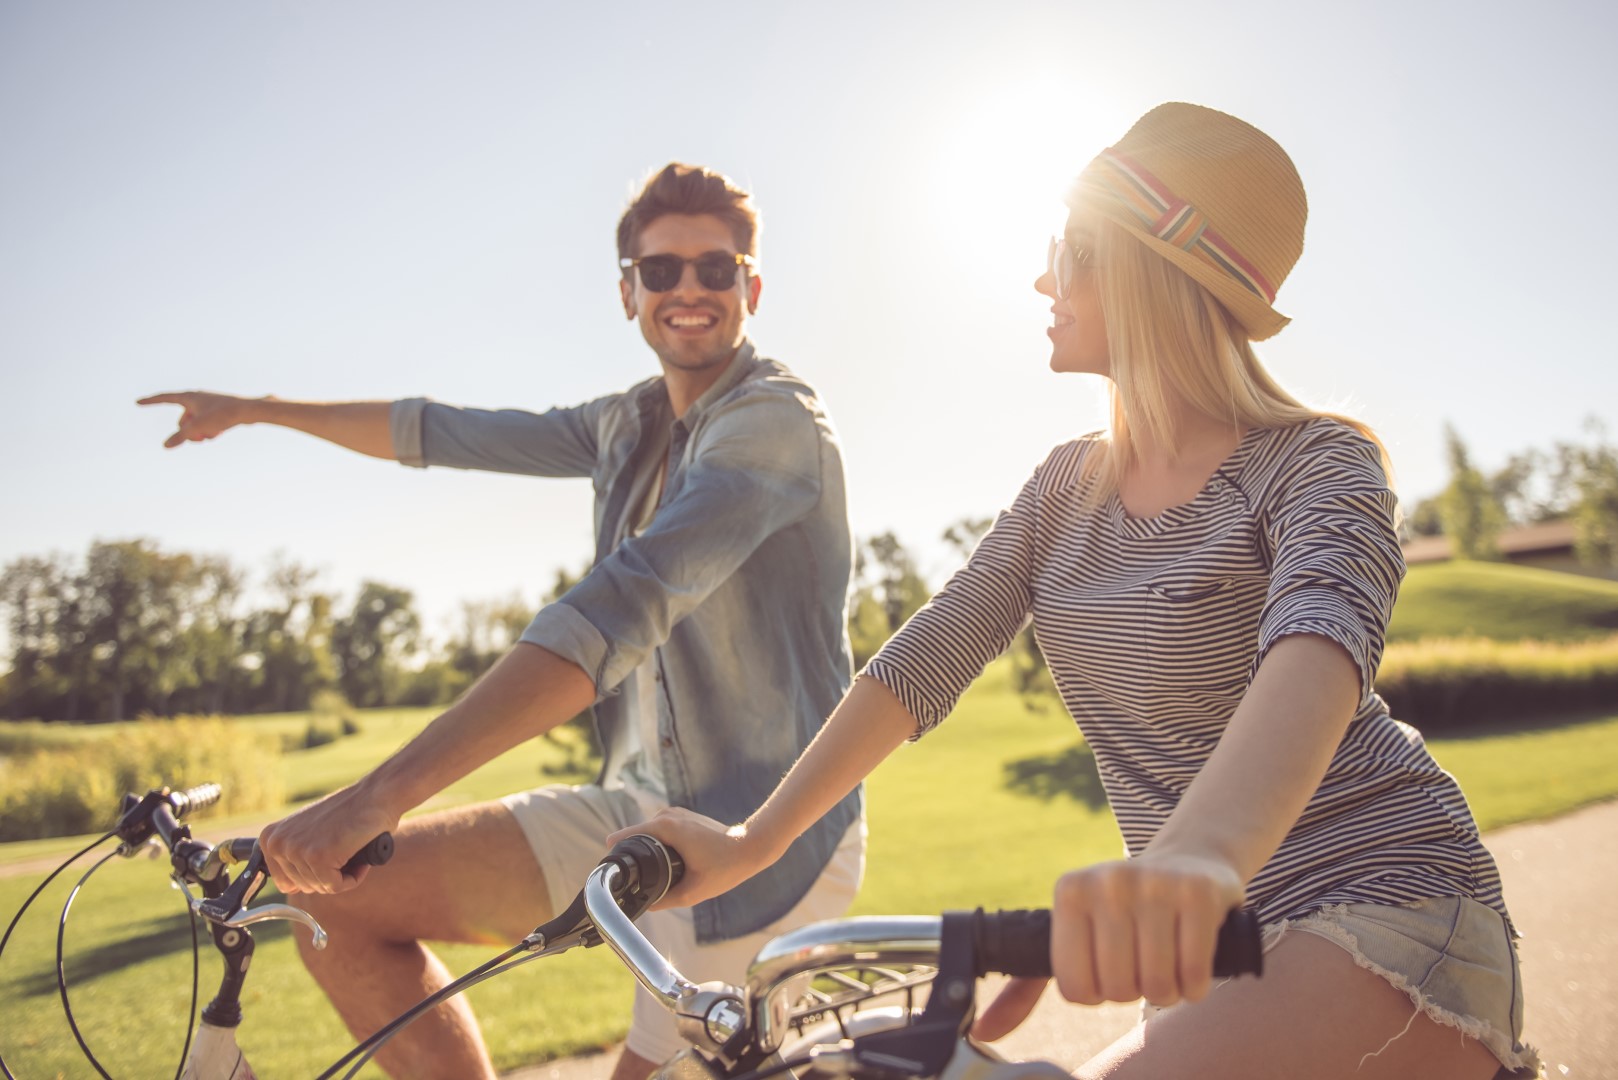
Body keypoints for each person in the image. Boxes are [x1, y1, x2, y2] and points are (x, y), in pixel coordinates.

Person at [616, 107, 1541, 1079]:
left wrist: (1193, 863)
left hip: (1379, 903)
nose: (1040, 278)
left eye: (1068, 249)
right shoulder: (1064, 488)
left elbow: (1317, 651)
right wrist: (750, 842)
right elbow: (929, 655)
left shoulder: (1317, 463)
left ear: (1151, 268)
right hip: (1194, 946)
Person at [138, 163, 865, 1080]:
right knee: (335, 907)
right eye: (661, 270)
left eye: (715, 270)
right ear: (628, 292)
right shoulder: (623, 425)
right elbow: (442, 431)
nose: (688, 289)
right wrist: (257, 411)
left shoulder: (774, 421)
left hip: (758, 842)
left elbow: (620, 606)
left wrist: (377, 796)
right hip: (633, 807)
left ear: (750, 288)